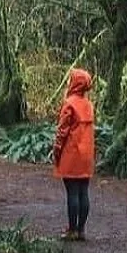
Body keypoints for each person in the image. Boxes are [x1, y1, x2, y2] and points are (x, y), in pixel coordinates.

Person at [53, 67, 95, 241]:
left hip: (71, 153)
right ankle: (81, 229)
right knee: (83, 191)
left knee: (72, 192)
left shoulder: (69, 103)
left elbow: (62, 130)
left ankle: (72, 230)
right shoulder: (89, 105)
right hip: (86, 154)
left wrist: (56, 149)